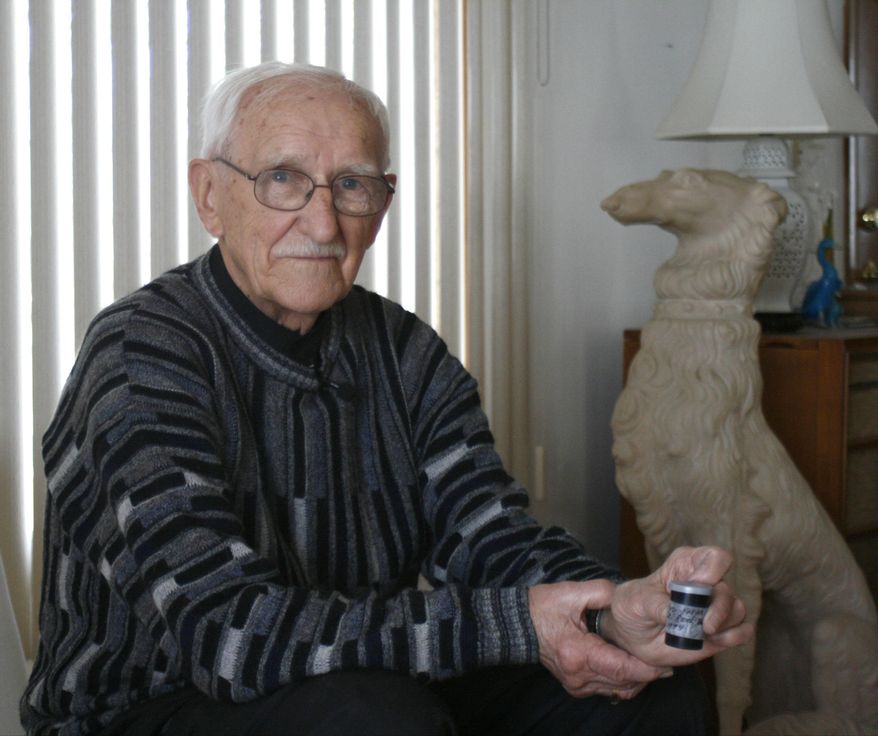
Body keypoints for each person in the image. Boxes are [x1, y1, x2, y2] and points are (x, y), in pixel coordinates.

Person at [22, 61, 751, 736]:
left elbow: (490, 537)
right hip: (144, 706)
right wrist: (520, 623)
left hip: (355, 674)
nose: (322, 221)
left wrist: (613, 609)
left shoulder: (401, 348)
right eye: (283, 178)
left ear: (383, 201)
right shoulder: (142, 353)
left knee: (654, 685)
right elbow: (227, 635)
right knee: (376, 715)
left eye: (352, 185)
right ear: (211, 196)